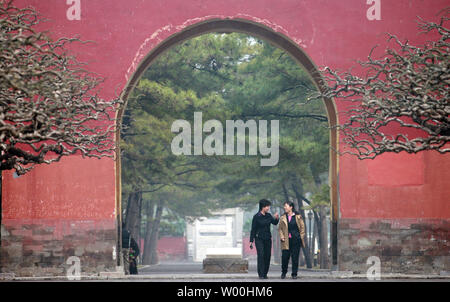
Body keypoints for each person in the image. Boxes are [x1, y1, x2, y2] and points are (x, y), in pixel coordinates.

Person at [250, 199, 279, 279]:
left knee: (267, 256)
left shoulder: (269, 215)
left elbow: (275, 223)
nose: (268, 208)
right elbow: (253, 229)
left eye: (268, 206)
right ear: (262, 207)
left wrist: (276, 218)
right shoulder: (256, 217)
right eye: (267, 206)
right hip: (259, 238)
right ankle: (261, 274)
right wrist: (251, 241)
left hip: (267, 238)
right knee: (261, 255)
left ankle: (265, 273)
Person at [278, 201, 306, 279]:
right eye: (284, 206)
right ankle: (284, 272)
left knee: (295, 258)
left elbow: (302, 228)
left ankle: (294, 274)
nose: (284, 207)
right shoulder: (283, 217)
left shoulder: (298, 217)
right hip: (286, 240)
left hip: (296, 240)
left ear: (291, 207)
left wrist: (301, 237)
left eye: (286, 206)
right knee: (285, 257)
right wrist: (282, 236)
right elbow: (280, 229)